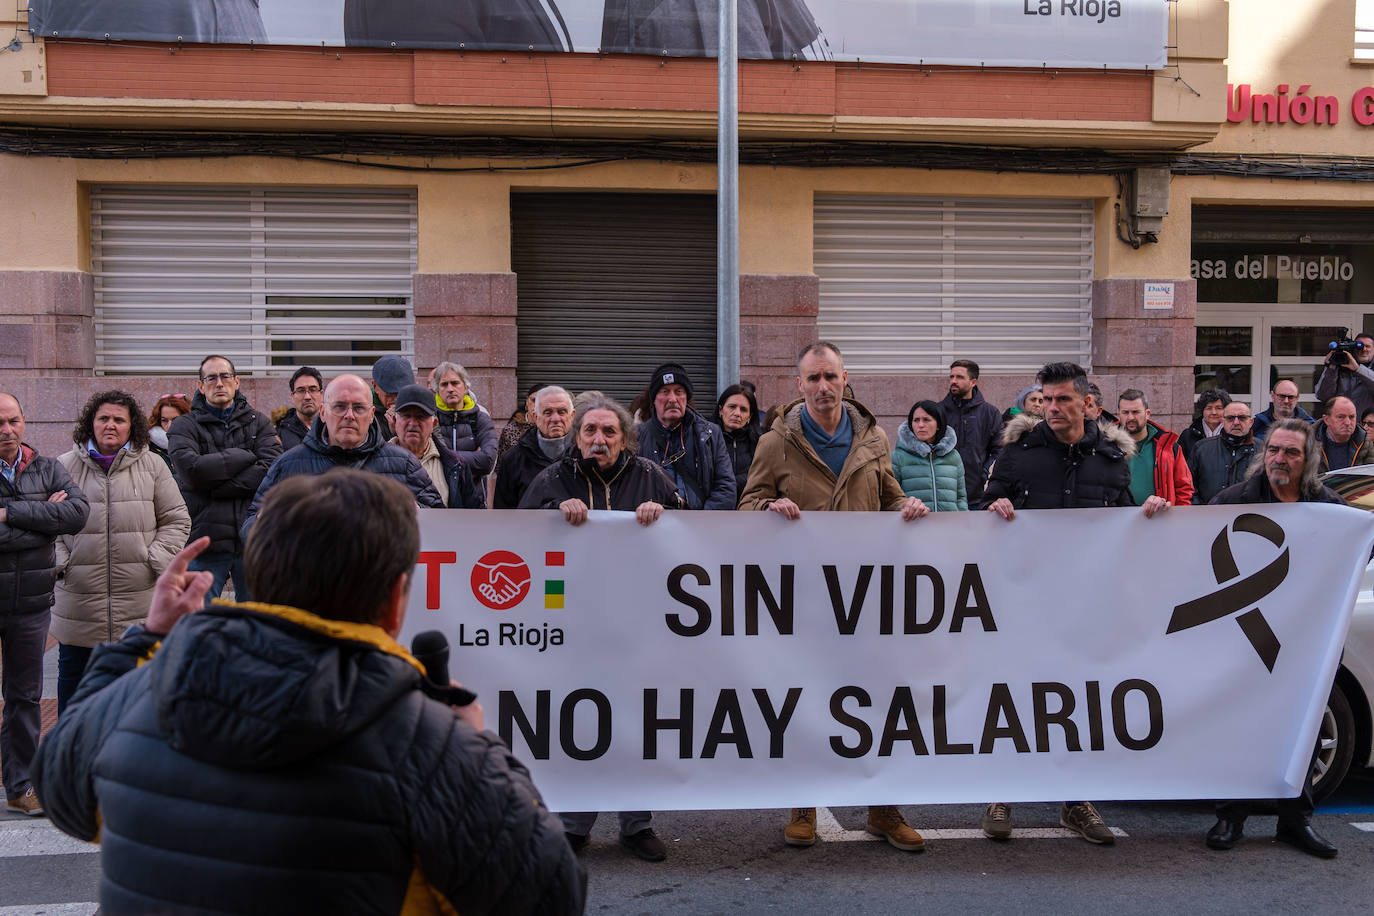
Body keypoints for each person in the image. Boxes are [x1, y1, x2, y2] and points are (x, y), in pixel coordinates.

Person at [33, 469, 586, 913]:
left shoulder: (147, 686)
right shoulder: (433, 746)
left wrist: (146, 640)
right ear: (396, 600)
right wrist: (481, 747)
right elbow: (551, 896)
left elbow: (61, 786)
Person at [739, 341, 930, 853]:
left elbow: (888, 494)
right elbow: (747, 502)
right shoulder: (774, 442)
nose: (823, 387)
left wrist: (907, 505)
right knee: (805, 693)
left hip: (868, 591)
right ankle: (804, 802)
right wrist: (767, 507)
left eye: (831, 377)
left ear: (846, 379)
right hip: (802, 593)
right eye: (813, 379)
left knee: (877, 695)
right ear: (797, 385)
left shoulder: (874, 438)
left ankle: (883, 808)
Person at [981, 362, 1171, 845]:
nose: (1052, 408)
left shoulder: (1110, 459)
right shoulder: (1018, 455)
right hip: (1024, 601)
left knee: (1080, 701)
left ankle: (1076, 800)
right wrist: (993, 509)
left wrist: (1147, 516)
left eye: (1063, 399)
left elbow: (1122, 521)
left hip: (1087, 605)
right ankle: (1002, 790)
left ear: (1089, 403)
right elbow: (980, 512)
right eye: (1046, 398)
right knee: (1015, 696)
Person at [519, 393, 678, 862]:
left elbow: (694, 538)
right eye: (590, 431)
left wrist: (664, 517)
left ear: (625, 438)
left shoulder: (651, 477)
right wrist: (552, 517)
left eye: (609, 432)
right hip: (574, 626)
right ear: (577, 436)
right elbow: (516, 538)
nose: (599, 439)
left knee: (636, 723)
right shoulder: (552, 480)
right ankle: (574, 824)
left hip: (639, 626)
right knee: (581, 725)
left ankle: (637, 825)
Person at [1206, 418, 1348, 858]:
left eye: (1290, 453)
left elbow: (1356, 551)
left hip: (1304, 638)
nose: (1279, 460)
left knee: (1301, 728)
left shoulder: (1329, 508)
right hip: (1245, 635)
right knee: (1241, 724)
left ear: (1308, 462)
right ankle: (1231, 816)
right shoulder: (1231, 502)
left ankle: (1294, 821)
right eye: (1273, 451)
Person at [52, 391, 190, 715]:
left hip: (139, 604)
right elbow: (49, 522)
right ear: (91, 423)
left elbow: (177, 519)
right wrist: (61, 562)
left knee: (138, 705)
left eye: (119, 419)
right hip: (79, 607)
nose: (110, 425)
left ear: (132, 427)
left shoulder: (153, 465)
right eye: (103, 418)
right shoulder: (63, 466)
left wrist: (154, 558)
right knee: (74, 703)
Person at [0, 392, 90, 817]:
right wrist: (40, 518)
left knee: (25, 697)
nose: (7, 430)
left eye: (13, 421)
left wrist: (8, 514)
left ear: (24, 421)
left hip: (30, 604)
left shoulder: (47, 466)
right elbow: (55, 521)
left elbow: (75, 514)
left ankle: (19, 785)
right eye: (0, 423)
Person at [243, 374, 442, 536]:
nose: (349, 415)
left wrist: (418, 513)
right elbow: (250, 527)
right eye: (339, 406)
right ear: (323, 412)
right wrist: (264, 524)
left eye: (358, 408)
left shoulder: (403, 463)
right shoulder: (289, 464)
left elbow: (443, 523)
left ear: (372, 413)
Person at [168, 355, 282, 606]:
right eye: (211, 378)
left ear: (236, 381)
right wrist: (245, 456)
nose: (219, 383)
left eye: (225, 376)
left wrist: (215, 486)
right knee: (198, 621)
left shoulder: (259, 422)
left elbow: (272, 470)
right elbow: (191, 472)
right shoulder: (183, 426)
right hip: (203, 542)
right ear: (200, 386)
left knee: (254, 622)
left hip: (251, 542)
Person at [636, 363, 736, 510]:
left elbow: (726, 487)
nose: (672, 399)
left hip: (700, 528)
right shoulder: (636, 437)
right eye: (665, 391)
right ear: (654, 399)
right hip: (654, 527)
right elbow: (628, 488)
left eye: (678, 392)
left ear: (686, 397)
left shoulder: (710, 434)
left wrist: (699, 522)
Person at [389, 384, 482, 509]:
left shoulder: (455, 465)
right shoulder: (375, 462)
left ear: (434, 424)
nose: (412, 423)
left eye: (420, 416)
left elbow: (472, 515)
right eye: (406, 416)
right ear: (395, 421)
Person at [494, 386, 574, 510]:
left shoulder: (584, 455)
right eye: (548, 412)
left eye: (562, 412)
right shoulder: (513, 459)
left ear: (572, 415)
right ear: (535, 417)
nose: (556, 419)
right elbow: (504, 513)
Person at [938, 359, 1002, 504]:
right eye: (951, 377)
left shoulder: (990, 413)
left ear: (973, 382)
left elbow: (999, 450)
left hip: (977, 496)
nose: (953, 381)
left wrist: (984, 474)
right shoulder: (938, 411)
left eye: (959, 377)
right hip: (943, 495)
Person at [1118, 389, 1193, 507]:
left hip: (1160, 519)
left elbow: (1184, 488)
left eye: (1136, 412)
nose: (1130, 417)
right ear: (1119, 414)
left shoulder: (1169, 447)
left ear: (1147, 414)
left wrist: (1178, 519)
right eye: (1125, 412)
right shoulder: (1107, 446)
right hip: (1118, 520)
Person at [431, 360, 498, 489]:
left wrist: (446, 457)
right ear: (437, 390)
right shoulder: (430, 419)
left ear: (466, 387)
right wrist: (472, 460)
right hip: (439, 499)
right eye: (444, 384)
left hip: (473, 499)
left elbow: (487, 461)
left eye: (455, 383)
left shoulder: (480, 418)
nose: (450, 389)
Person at [891, 400, 967, 511]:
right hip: (914, 525)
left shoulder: (953, 457)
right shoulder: (897, 457)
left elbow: (961, 498)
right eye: (916, 420)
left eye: (926, 420)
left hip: (950, 525)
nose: (920, 425)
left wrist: (964, 524)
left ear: (938, 425)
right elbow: (892, 499)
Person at [1190, 401, 1257, 505]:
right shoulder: (1202, 448)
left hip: (1250, 517)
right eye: (1230, 418)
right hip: (1209, 516)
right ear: (1223, 421)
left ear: (1251, 422)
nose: (1236, 422)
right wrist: (1200, 511)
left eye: (1242, 418)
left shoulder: (1263, 450)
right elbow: (1189, 485)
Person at [714, 384, 761, 502]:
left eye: (743, 409)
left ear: (749, 417)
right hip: (714, 510)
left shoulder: (760, 443)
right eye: (732, 407)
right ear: (721, 410)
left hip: (749, 510)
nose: (737, 413)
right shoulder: (706, 440)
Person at [1315, 331, 1374, 422]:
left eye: (1368, 346)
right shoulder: (1340, 367)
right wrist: (1331, 369)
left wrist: (1358, 369)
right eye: (1360, 346)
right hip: (1341, 426)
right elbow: (1322, 396)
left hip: (1367, 427)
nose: (1363, 349)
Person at [1315, 395, 1374, 472]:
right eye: (1341, 417)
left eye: (1351, 417)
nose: (1347, 422)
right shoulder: (1309, 442)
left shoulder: (1364, 443)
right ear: (1326, 420)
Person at [275, 366, 323, 451]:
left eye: (313, 390)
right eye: (301, 391)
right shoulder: (279, 435)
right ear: (292, 396)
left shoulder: (333, 428)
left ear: (321, 394)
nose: (307, 397)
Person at [497, 382, 546, 463]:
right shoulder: (511, 430)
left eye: (542, 401)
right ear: (527, 401)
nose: (537, 405)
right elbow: (501, 465)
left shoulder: (552, 428)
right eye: (534, 400)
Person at [1180, 389, 1232, 465]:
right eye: (1209, 408)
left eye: (1218, 408)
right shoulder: (1188, 435)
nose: (1214, 412)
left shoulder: (1233, 433)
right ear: (1202, 410)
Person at [369, 354, 413, 440]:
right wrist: (395, 435)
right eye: (390, 395)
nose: (396, 400)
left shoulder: (419, 404)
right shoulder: (363, 412)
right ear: (375, 386)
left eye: (401, 393)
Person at [145, 393, 191, 476]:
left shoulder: (199, 443)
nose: (170, 426)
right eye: (164, 420)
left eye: (176, 419)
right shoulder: (148, 449)